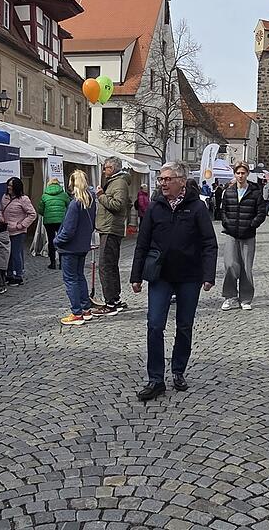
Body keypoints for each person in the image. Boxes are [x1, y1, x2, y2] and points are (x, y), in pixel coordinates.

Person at [130, 162, 218, 401]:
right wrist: (136, 276)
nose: (163, 183)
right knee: (155, 325)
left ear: (181, 180)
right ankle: (156, 378)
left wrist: (208, 275)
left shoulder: (197, 207)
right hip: (160, 276)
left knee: (184, 326)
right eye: (161, 179)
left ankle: (178, 370)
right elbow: (142, 243)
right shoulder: (155, 208)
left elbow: (209, 243)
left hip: (189, 276)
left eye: (168, 179)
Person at [220, 161, 267, 311]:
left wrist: (252, 224)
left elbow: (261, 212)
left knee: (246, 267)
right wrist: (227, 223)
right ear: (235, 174)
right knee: (230, 265)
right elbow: (224, 211)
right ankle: (230, 296)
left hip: (248, 235)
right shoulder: (229, 192)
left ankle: (245, 298)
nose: (240, 176)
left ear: (247, 174)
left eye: (243, 173)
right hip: (231, 233)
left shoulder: (255, 192)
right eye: (238, 173)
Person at [54, 170, 97, 325]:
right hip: (82, 245)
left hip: (70, 247)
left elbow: (68, 230)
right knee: (79, 277)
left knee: (71, 279)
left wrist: (57, 241)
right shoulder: (90, 201)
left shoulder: (75, 203)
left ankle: (76, 312)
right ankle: (86, 309)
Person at [92, 157, 130, 316]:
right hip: (108, 227)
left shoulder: (119, 182)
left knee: (106, 266)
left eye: (106, 167)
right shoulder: (116, 181)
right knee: (110, 265)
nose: (104, 170)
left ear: (113, 168)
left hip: (111, 228)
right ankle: (114, 298)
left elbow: (118, 205)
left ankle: (111, 302)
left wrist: (101, 195)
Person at [0, 177, 37, 286]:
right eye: (8, 185)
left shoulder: (24, 199)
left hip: (18, 232)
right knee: (7, 254)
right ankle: (9, 274)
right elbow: (0, 210)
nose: (9, 187)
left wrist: (21, 225)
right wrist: (0, 216)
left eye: (11, 185)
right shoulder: (5, 197)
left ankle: (18, 276)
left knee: (16, 254)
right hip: (6, 230)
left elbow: (32, 214)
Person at [37, 178, 71, 270]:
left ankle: (52, 263)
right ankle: (61, 263)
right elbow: (69, 207)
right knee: (61, 241)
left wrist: (47, 215)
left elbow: (40, 210)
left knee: (51, 241)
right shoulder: (64, 195)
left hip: (49, 222)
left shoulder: (44, 196)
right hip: (61, 221)